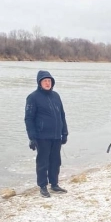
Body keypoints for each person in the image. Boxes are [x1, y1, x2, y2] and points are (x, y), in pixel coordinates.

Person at [24, 70, 69, 198]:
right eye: (45, 81)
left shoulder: (56, 96)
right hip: (42, 136)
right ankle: (43, 186)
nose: (47, 83)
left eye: (49, 81)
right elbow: (28, 119)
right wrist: (32, 137)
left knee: (55, 161)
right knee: (43, 162)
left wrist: (64, 133)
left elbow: (62, 115)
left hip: (56, 136)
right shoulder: (33, 97)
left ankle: (54, 184)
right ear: (40, 83)